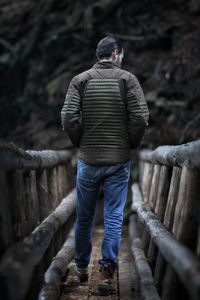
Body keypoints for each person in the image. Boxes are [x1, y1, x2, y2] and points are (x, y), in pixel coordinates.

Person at [61, 36, 149, 294]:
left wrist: (80, 142)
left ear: (99, 54)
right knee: (113, 215)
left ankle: (80, 267)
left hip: (88, 160)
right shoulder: (127, 79)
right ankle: (107, 272)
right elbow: (141, 118)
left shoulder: (80, 80)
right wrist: (130, 143)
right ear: (116, 54)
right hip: (118, 161)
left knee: (85, 216)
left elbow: (68, 117)